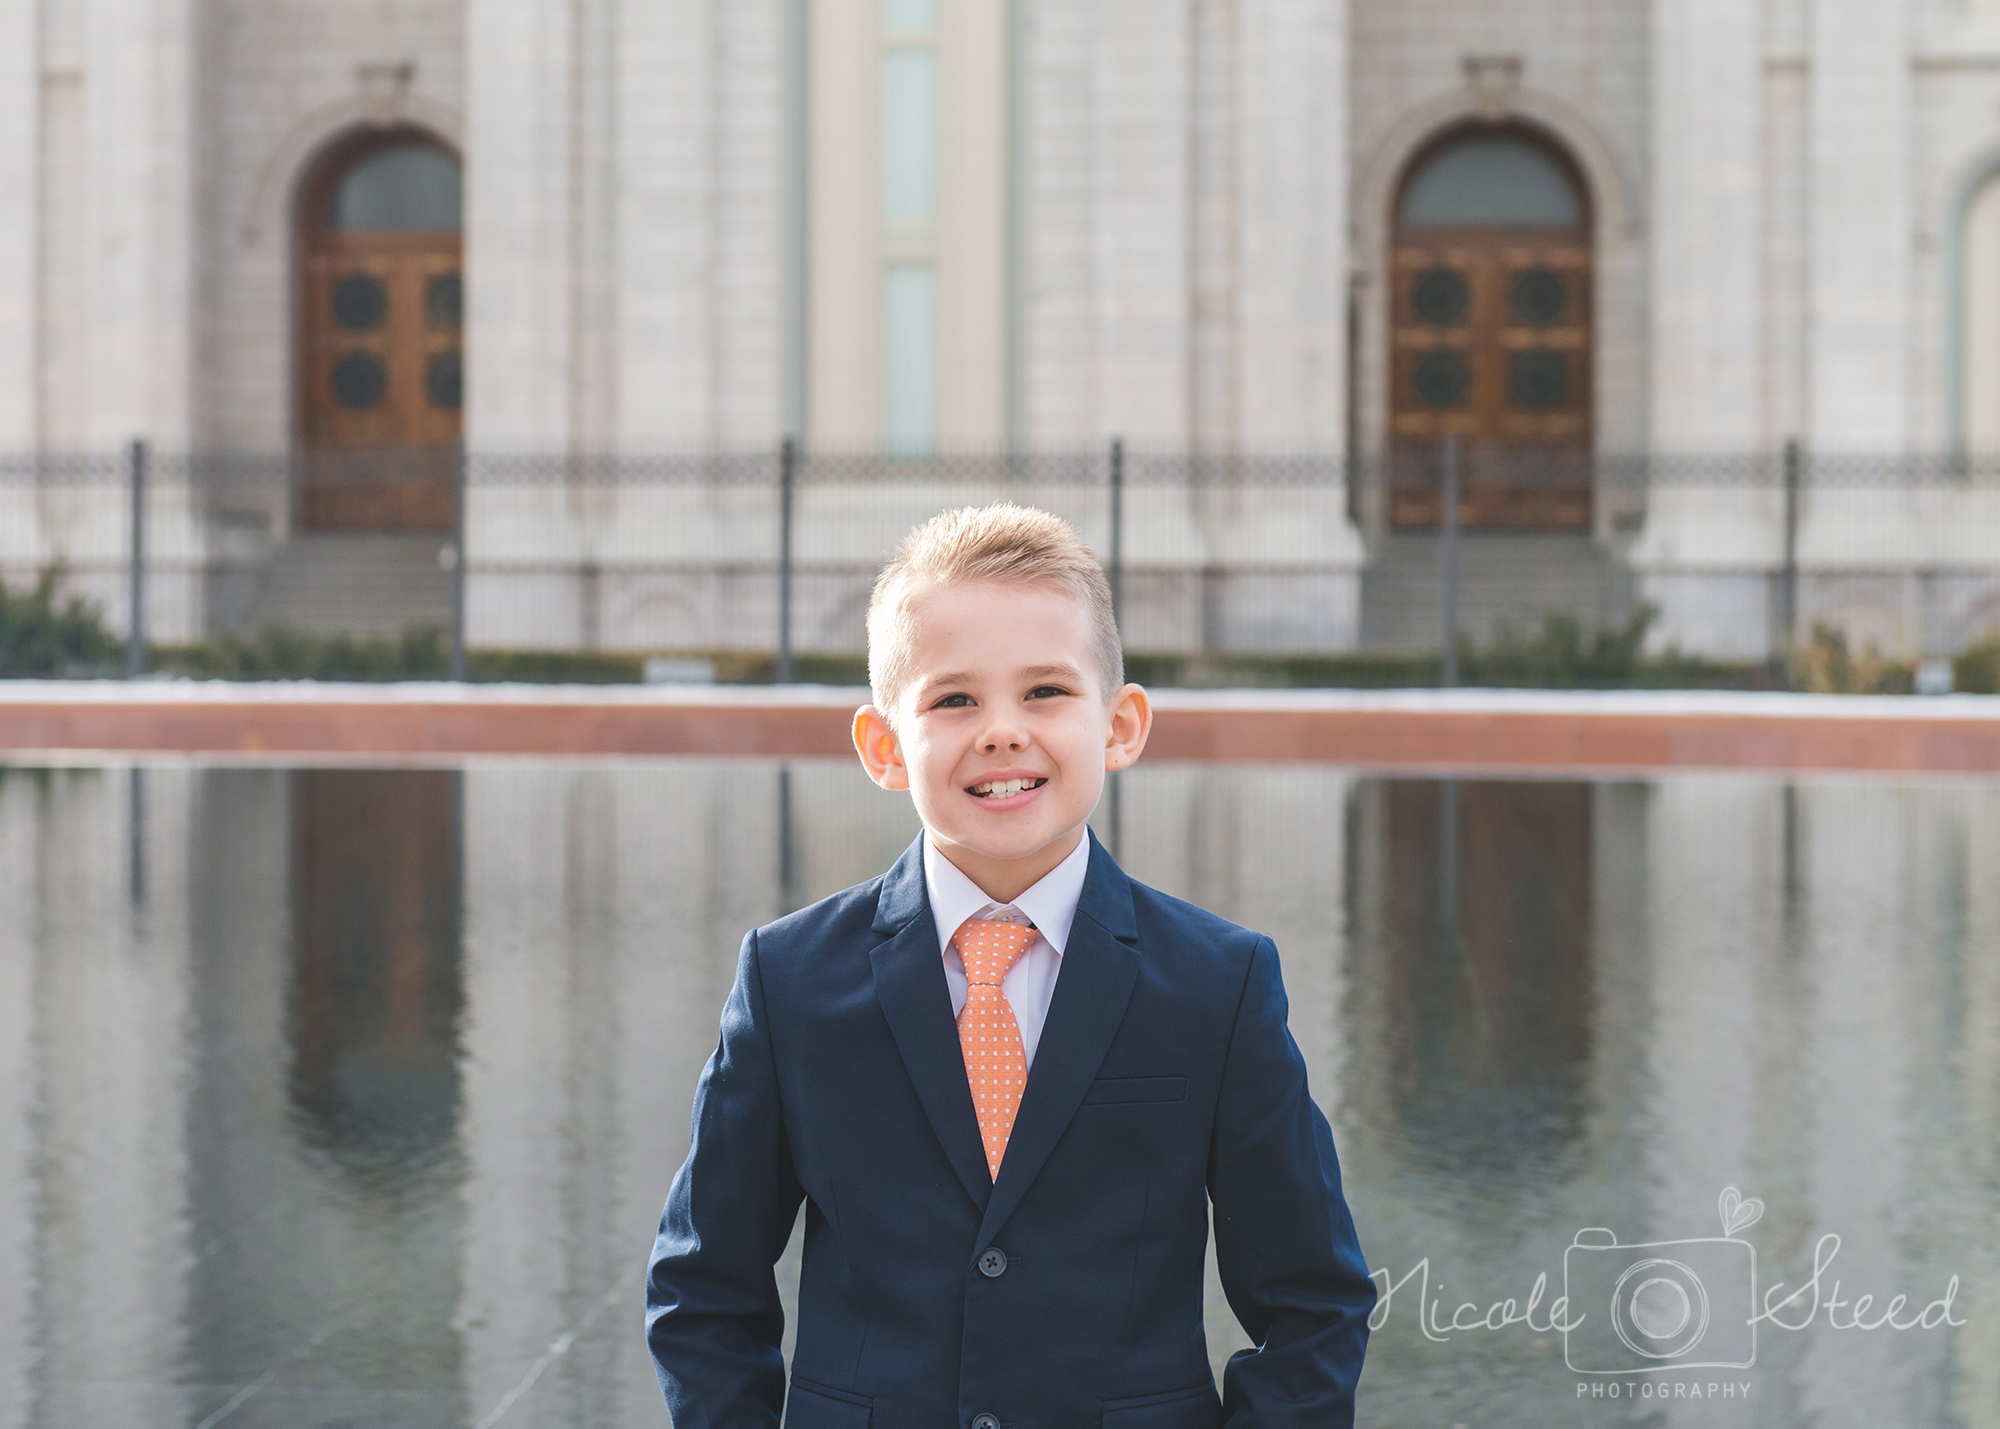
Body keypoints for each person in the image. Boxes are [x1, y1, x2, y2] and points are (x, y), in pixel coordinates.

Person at [646, 504, 1375, 1429]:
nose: (1001, 731)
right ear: (882, 746)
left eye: (1045, 692)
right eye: (954, 699)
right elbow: (704, 1287)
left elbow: (1313, 1304)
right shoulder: (789, 981)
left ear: (1121, 724)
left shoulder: (1217, 985)